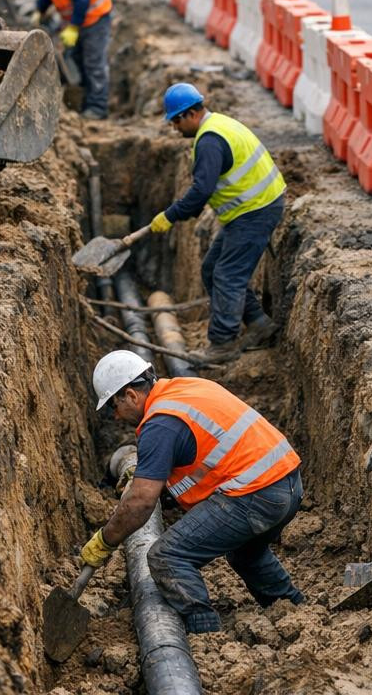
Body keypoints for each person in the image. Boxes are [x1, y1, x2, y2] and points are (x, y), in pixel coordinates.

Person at [80, 350, 305, 634]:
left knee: (167, 556)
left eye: (114, 405)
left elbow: (140, 504)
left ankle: (205, 635)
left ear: (131, 395)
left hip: (257, 496)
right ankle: (295, 610)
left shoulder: (160, 424)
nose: (115, 415)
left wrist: (105, 540)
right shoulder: (188, 388)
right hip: (289, 483)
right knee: (246, 554)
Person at [150, 83, 284, 364]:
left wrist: (170, 215)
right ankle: (259, 323)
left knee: (227, 275)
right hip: (249, 211)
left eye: (175, 121)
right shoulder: (218, 126)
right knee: (213, 268)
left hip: (255, 212)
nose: (174, 128)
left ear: (190, 114)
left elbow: (200, 191)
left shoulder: (210, 141)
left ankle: (223, 343)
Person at [32, 0, 113, 120]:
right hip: (77, 22)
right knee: (75, 60)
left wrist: (73, 28)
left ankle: (98, 108)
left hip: (95, 21)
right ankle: (82, 101)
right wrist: (40, 10)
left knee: (94, 63)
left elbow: (82, 1)